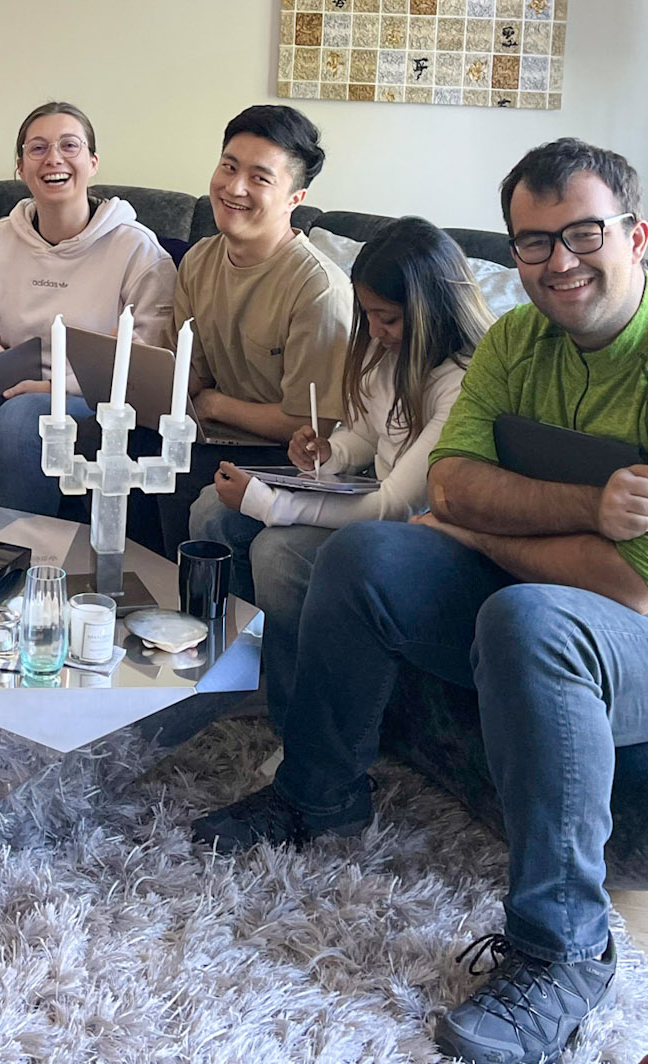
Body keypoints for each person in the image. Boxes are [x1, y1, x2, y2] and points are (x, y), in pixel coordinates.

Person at [190, 139, 648, 1064]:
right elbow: (458, 486)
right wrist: (587, 507)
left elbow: (633, 583)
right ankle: (318, 793)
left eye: (583, 234)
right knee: (364, 556)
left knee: (532, 619)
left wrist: (484, 534)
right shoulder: (517, 340)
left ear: (636, 236)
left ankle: (564, 951)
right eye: (533, 241)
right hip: (552, 582)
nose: (559, 262)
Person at [188, 216, 491, 726]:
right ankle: (244, 670)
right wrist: (328, 452)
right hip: (377, 494)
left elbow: (396, 504)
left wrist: (272, 503)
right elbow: (370, 434)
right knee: (210, 510)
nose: (374, 332)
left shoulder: (462, 382)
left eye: (388, 319)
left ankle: (296, 709)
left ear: (432, 311)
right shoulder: (386, 352)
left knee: (278, 549)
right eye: (368, 316)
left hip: (420, 533)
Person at [0, 102, 175, 515]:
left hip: (94, 400)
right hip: (7, 387)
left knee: (22, 421)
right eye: (37, 148)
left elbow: (148, 357)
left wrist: (57, 388)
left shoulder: (137, 249)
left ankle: (38, 562)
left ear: (92, 163)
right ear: (20, 167)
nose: (54, 158)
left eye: (69, 146)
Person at [156, 104, 352, 552]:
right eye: (228, 167)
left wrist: (214, 404)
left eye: (260, 178)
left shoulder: (317, 289)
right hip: (208, 436)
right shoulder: (200, 259)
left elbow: (309, 426)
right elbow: (190, 374)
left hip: (286, 458)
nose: (234, 187)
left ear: (294, 200)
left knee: (185, 482)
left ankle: (199, 617)